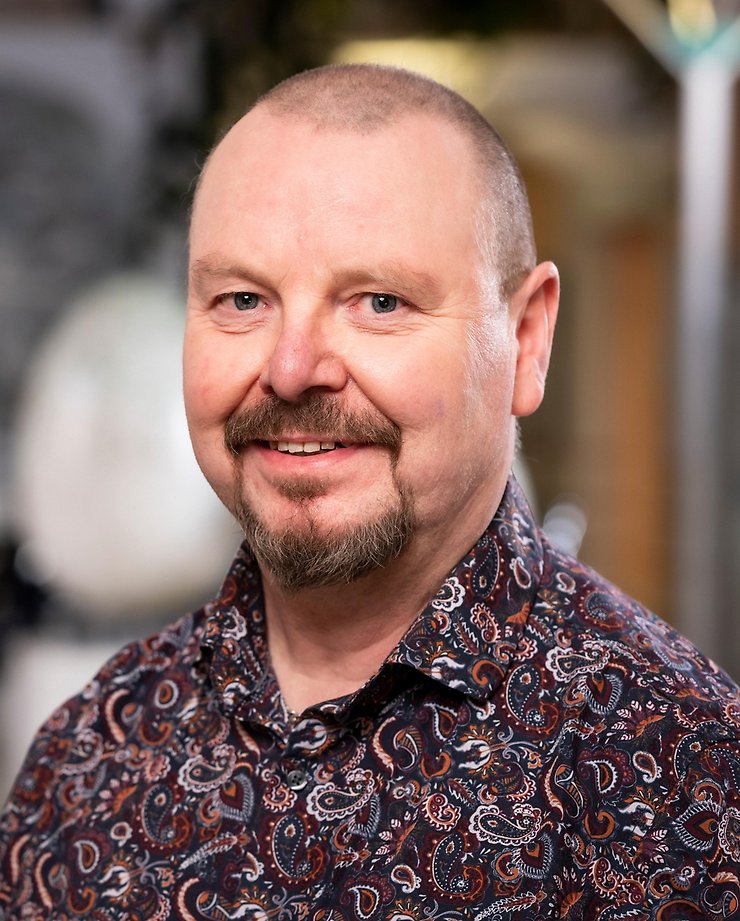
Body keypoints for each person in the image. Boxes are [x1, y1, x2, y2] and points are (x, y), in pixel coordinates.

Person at [1, 63, 738, 920]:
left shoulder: (679, 775)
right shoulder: (88, 758)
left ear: (527, 339)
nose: (291, 369)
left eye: (379, 302)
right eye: (243, 299)